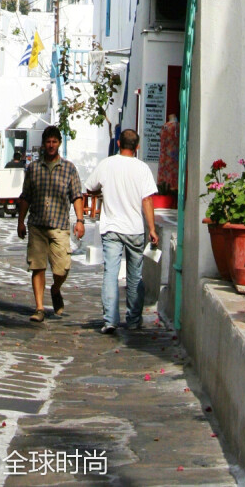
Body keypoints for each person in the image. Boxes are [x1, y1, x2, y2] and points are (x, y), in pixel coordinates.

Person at [87, 128, 159, 334]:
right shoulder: (142, 168)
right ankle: (134, 319)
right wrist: (152, 228)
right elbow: (147, 200)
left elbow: (90, 187)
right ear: (137, 147)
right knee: (135, 275)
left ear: (118, 144)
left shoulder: (106, 164)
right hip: (134, 228)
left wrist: (103, 191)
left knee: (110, 273)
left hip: (111, 228)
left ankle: (110, 319)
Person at [16, 126, 84, 323]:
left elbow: (77, 196)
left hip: (59, 225)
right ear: (43, 144)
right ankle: (39, 308)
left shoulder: (69, 169)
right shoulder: (33, 168)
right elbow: (25, 196)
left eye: (54, 142)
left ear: (59, 144)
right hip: (37, 224)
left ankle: (55, 289)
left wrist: (80, 221)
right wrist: (21, 221)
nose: (51, 145)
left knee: (62, 268)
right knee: (37, 267)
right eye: (48, 142)